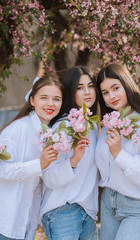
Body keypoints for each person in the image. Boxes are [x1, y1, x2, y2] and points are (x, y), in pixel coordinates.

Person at [0, 75, 63, 240]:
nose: (50, 104)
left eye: (56, 99)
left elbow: (35, 188)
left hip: (19, 225)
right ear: (32, 100)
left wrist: (31, 229)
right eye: (44, 98)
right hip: (0, 221)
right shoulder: (18, 129)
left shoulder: (47, 134)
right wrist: (39, 164)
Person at [95, 63, 140, 240]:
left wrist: (119, 153)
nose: (111, 96)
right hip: (109, 203)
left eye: (115, 88)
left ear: (127, 85)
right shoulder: (108, 124)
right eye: (105, 92)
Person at [40, 66, 99, 240]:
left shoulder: (94, 126)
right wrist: (73, 161)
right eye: (80, 88)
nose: (87, 92)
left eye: (90, 86)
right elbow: (49, 177)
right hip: (63, 210)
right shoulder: (62, 126)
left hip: (87, 212)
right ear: (71, 92)